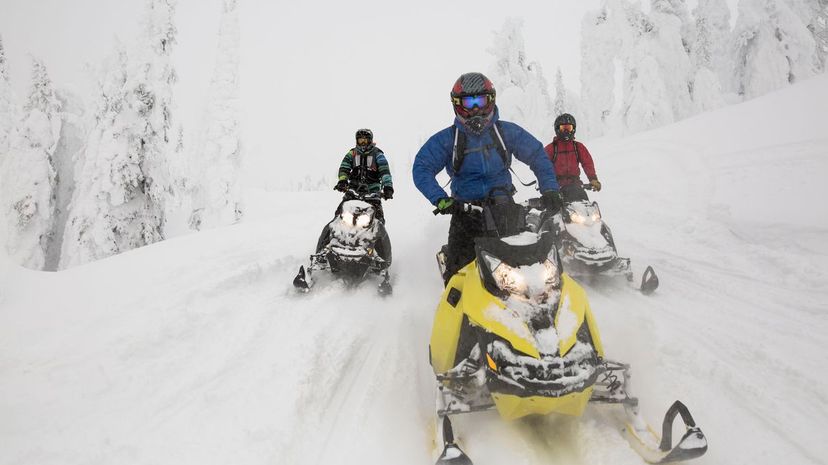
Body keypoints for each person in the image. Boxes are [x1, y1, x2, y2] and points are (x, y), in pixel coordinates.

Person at [412, 72, 562, 284]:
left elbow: (538, 155)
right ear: (458, 105)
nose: (475, 109)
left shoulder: (506, 132)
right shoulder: (447, 139)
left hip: (505, 211)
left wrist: (550, 189)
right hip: (466, 214)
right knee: (458, 277)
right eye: (469, 102)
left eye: (480, 101)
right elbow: (422, 167)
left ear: (490, 100)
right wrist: (440, 198)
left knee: (528, 267)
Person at [316, 128, 393, 264]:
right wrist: (342, 181)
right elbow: (344, 168)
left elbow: (384, 171)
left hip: (372, 194)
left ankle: (383, 259)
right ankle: (322, 251)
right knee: (336, 219)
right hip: (353, 192)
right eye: (360, 139)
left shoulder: (378, 155)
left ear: (370, 140)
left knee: (378, 222)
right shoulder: (352, 154)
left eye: (365, 139)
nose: (362, 142)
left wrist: (387, 187)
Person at [544, 113, 600, 202]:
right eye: (563, 128)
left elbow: (587, 163)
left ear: (573, 129)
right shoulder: (550, 149)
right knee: (554, 212)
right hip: (556, 189)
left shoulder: (578, 147)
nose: (566, 131)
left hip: (576, 186)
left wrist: (593, 179)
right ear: (557, 129)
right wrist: (548, 185)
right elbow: (543, 167)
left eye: (569, 128)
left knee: (587, 209)